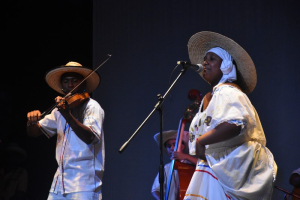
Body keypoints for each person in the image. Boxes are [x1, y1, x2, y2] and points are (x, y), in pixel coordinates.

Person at [182, 31, 277, 200]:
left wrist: (201, 141)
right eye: (205, 59)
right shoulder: (212, 96)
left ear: (226, 64)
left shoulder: (228, 91)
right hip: (215, 165)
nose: (205, 63)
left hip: (230, 166)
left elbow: (234, 124)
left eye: (212, 59)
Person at [26, 61, 105, 200]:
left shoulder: (92, 106)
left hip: (83, 183)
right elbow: (35, 132)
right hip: (59, 183)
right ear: (61, 86)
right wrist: (31, 121)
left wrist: (67, 115)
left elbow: (90, 137)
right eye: (66, 81)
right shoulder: (60, 109)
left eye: (75, 81)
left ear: (84, 83)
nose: (70, 85)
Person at [151, 130, 197, 200]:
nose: (172, 148)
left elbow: (205, 165)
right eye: (169, 146)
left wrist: (185, 156)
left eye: (174, 144)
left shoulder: (191, 163)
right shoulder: (166, 168)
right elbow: (156, 189)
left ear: (183, 146)